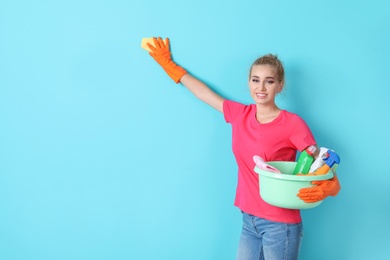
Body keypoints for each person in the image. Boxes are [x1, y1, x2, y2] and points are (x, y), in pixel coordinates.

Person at [145, 37, 341, 260]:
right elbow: (203, 93)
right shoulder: (240, 115)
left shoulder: (292, 124)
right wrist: (168, 65)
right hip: (249, 220)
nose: (261, 87)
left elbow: (320, 163)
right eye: (256, 80)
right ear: (248, 82)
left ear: (280, 85)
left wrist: (331, 187)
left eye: (269, 81)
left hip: (280, 225)